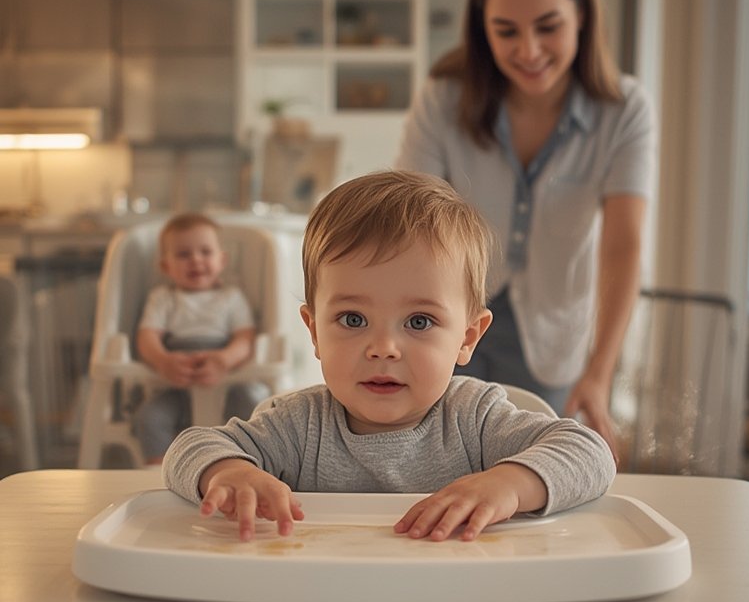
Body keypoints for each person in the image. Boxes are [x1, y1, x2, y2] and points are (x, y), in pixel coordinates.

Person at [162, 170, 616, 542]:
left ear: (467, 337)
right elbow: (190, 446)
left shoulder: (475, 420)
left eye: (419, 322)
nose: (383, 348)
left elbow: (589, 452)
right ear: (314, 331)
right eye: (353, 320)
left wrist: (509, 485)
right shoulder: (296, 426)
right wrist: (230, 471)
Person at [395, 0, 656, 458]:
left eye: (548, 26)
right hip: (442, 322)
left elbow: (623, 245)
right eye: (506, 30)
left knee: (526, 482)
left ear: (581, 15)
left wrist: (600, 372)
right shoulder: (443, 99)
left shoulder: (625, 110)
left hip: (552, 339)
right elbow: (409, 217)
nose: (529, 49)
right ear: (481, 28)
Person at [134, 213, 267, 464]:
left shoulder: (231, 297)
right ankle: (159, 473)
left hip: (227, 379)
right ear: (166, 267)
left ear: (222, 260)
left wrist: (224, 360)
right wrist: (163, 361)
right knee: (149, 417)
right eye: (183, 254)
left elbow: (245, 339)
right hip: (176, 381)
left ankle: (251, 465)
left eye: (205, 252)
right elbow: (147, 337)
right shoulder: (163, 298)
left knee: (255, 408)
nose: (195, 260)